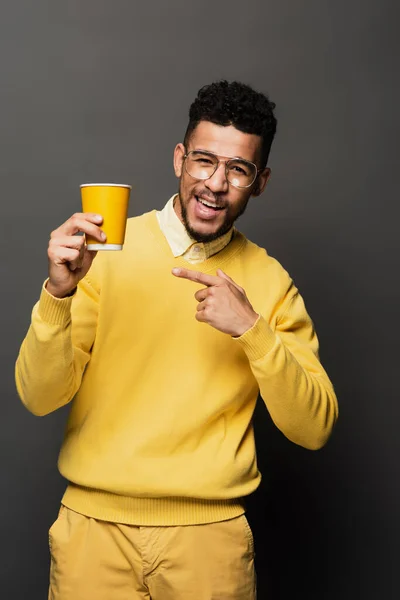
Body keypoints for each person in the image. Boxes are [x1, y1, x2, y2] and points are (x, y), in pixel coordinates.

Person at [15, 80, 338, 600]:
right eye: (204, 161)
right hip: (92, 533)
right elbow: (38, 396)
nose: (215, 183)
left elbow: (315, 428)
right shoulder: (104, 254)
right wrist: (57, 293)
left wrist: (253, 331)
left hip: (211, 542)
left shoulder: (271, 282)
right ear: (179, 159)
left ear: (260, 182)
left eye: (238, 169)